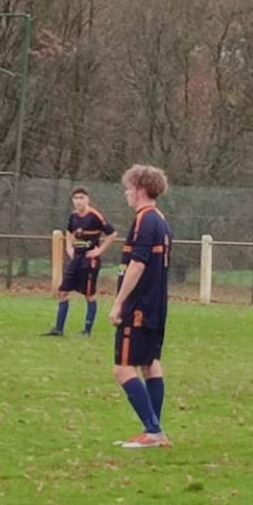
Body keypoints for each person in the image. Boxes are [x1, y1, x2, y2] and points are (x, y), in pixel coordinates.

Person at [107, 164, 174, 449]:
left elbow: (137, 264)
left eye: (130, 187)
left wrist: (118, 302)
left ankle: (153, 430)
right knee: (150, 364)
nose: (126, 193)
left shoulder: (144, 220)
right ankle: (155, 432)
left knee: (123, 369)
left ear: (141, 189)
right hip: (157, 306)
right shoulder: (161, 220)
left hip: (139, 307)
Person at [42, 187, 116, 337]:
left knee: (89, 294)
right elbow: (69, 231)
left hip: (89, 261)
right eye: (75, 198)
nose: (78, 201)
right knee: (62, 291)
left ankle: (87, 331)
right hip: (76, 259)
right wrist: (69, 247)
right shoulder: (74, 216)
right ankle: (59, 329)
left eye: (81, 198)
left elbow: (112, 233)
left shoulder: (95, 216)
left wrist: (99, 251)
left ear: (87, 199)